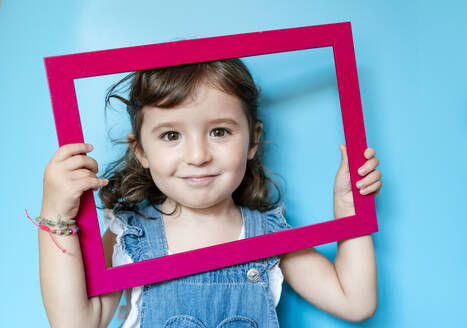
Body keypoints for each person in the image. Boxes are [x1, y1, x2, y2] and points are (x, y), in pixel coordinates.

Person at [39, 59, 382, 327]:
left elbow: (355, 301)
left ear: (253, 139)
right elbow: (74, 322)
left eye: (219, 131)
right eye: (171, 136)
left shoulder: (270, 234)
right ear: (141, 151)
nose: (198, 155)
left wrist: (350, 208)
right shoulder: (130, 236)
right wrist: (56, 216)